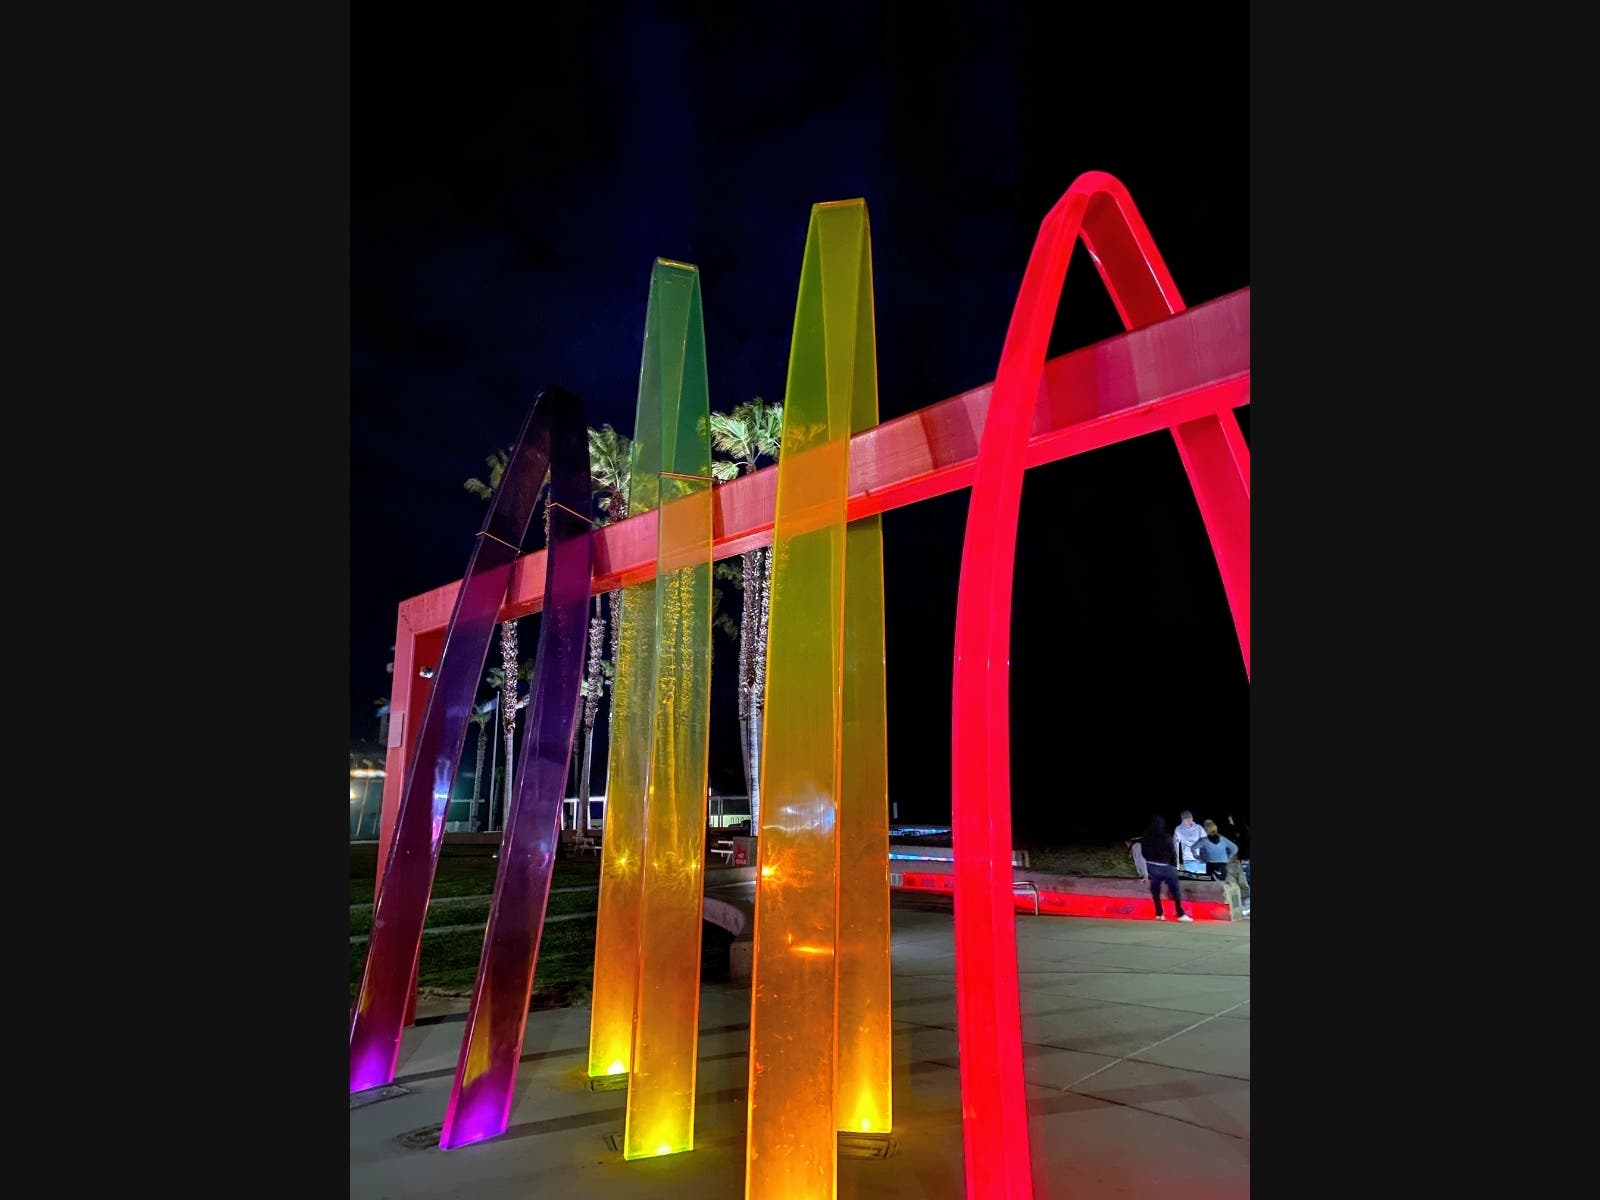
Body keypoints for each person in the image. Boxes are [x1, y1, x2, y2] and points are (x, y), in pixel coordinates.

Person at [1139, 815, 1191, 921]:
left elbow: (1143, 854)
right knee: (1175, 889)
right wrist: (1174, 866)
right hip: (1166, 866)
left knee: (1155, 889)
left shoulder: (1145, 837)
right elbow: (1173, 853)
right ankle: (1180, 912)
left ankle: (1159, 913)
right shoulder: (1166, 837)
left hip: (1152, 866)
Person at [1193, 819, 1244, 918]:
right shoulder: (1223, 839)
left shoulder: (1204, 840)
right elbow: (1235, 848)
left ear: (1206, 830)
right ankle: (1226, 911)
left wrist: (1197, 856)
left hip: (1211, 865)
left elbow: (1193, 848)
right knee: (1223, 888)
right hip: (1223, 865)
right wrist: (1228, 856)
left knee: (1211, 888)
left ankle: (1212, 912)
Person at [1174, 810, 1205, 875]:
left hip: (1200, 858)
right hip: (1188, 859)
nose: (1189, 822)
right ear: (1182, 820)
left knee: (1204, 878)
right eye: (1187, 820)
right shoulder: (1179, 829)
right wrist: (1177, 864)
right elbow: (1175, 846)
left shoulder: (1199, 828)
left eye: (1191, 819)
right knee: (1192, 880)